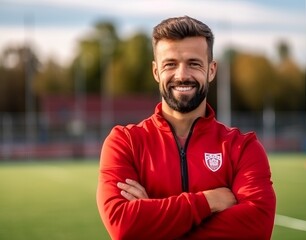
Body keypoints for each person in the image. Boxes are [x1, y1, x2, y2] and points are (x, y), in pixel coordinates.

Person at [96, 15, 276, 240]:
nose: (182, 75)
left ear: (211, 70)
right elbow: (123, 225)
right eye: (170, 64)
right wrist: (209, 202)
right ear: (155, 72)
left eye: (194, 64)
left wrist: (152, 222)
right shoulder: (125, 142)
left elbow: (257, 227)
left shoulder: (242, 147)